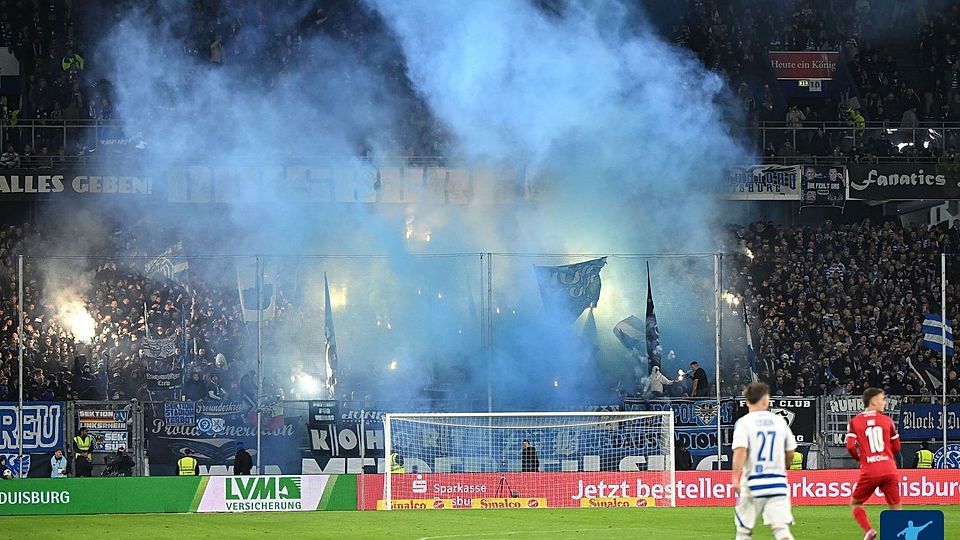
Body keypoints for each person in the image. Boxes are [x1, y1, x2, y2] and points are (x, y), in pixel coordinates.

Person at [731, 382, 797, 540]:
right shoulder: (779, 422)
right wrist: (784, 466)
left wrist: (735, 478)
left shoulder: (744, 423)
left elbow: (740, 451)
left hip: (753, 483)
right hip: (778, 483)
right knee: (781, 530)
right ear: (766, 400)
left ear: (746, 401)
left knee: (743, 530)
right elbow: (791, 450)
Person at [846, 387, 902, 540]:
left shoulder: (855, 421)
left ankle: (869, 530)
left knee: (856, 502)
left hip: (870, 469)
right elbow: (897, 447)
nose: (884, 403)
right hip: (889, 468)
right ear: (873, 401)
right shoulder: (887, 420)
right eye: (882, 399)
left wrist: (860, 459)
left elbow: (850, 446)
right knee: (896, 507)